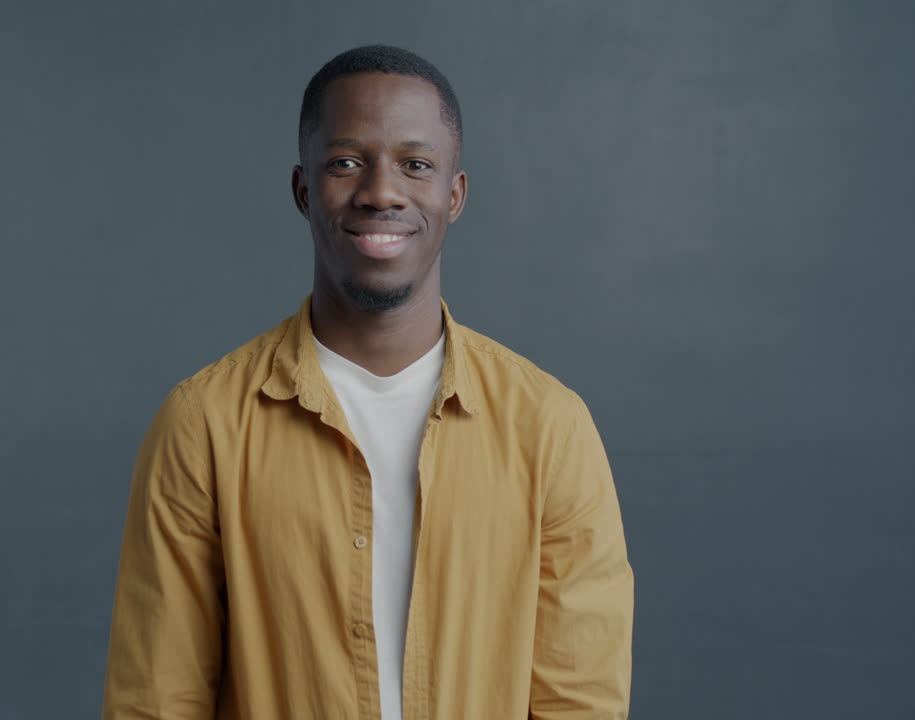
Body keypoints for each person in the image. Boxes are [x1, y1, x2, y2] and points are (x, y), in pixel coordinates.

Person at [101, 44, 633, 720]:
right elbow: (156, 698)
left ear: (455, 194)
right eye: (347, 163)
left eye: (416, 165)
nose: (382, 191)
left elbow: (579, 703)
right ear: (302, 191)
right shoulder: (204, 422)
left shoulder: (549, 426)